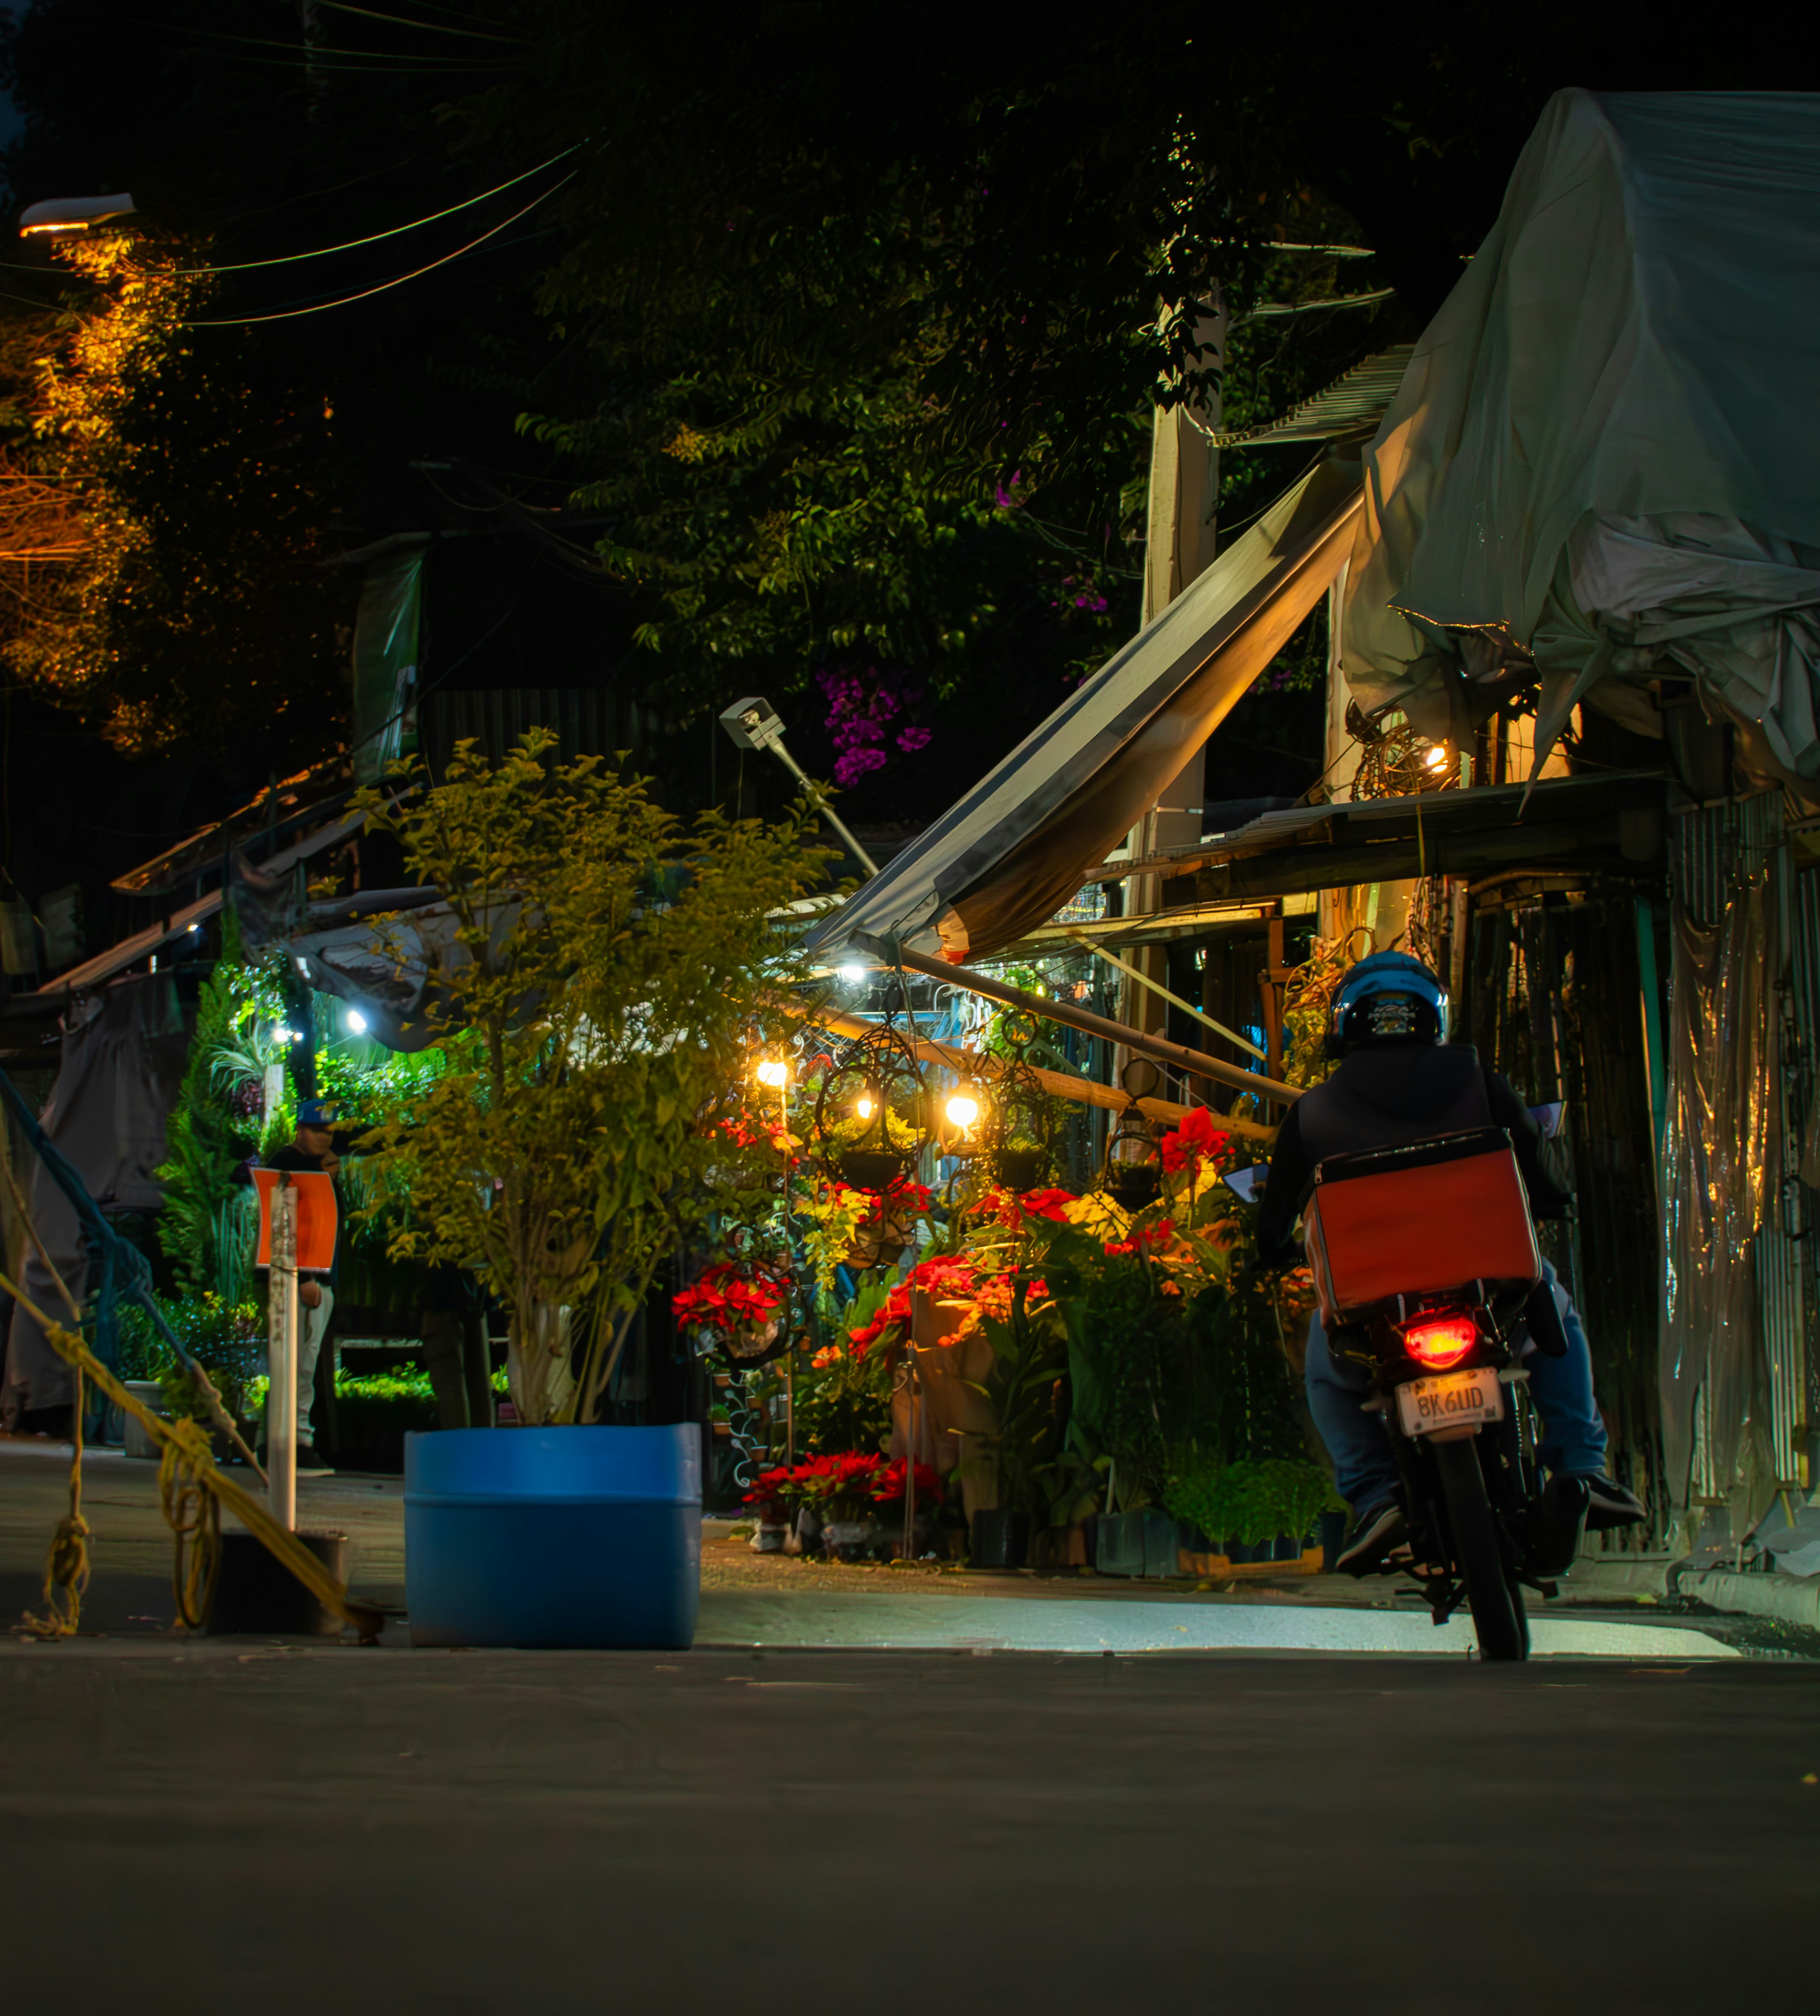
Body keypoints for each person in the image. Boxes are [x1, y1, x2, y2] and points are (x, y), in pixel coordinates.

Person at [1256, 949, 1644, 1575]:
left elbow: (1272, 1222)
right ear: (1429, 1016)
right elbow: (1536, 1173)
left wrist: (1268, 1253)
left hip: (1373, 1308)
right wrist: (1551, 1203)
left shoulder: (1311, 1112)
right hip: (1491, 1289)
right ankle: (1581, 1467)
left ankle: (1377, 1498)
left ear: (1345, 1022)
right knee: (1559, 1325)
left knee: (1326, 1377)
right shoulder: (1479, 1080)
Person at [260, 1097, 342, 1475]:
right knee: (298, 1364)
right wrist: (305, 1278)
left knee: (295, 1363)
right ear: (300, 1129)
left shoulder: (319, 1165)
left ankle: (275, 1440)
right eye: (317, 1130)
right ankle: (295, 1441)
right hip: (298, 1279)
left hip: (309, 1278)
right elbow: (284, 1224)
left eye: (329, 1131)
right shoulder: (286, 1164)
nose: (324, 1137)